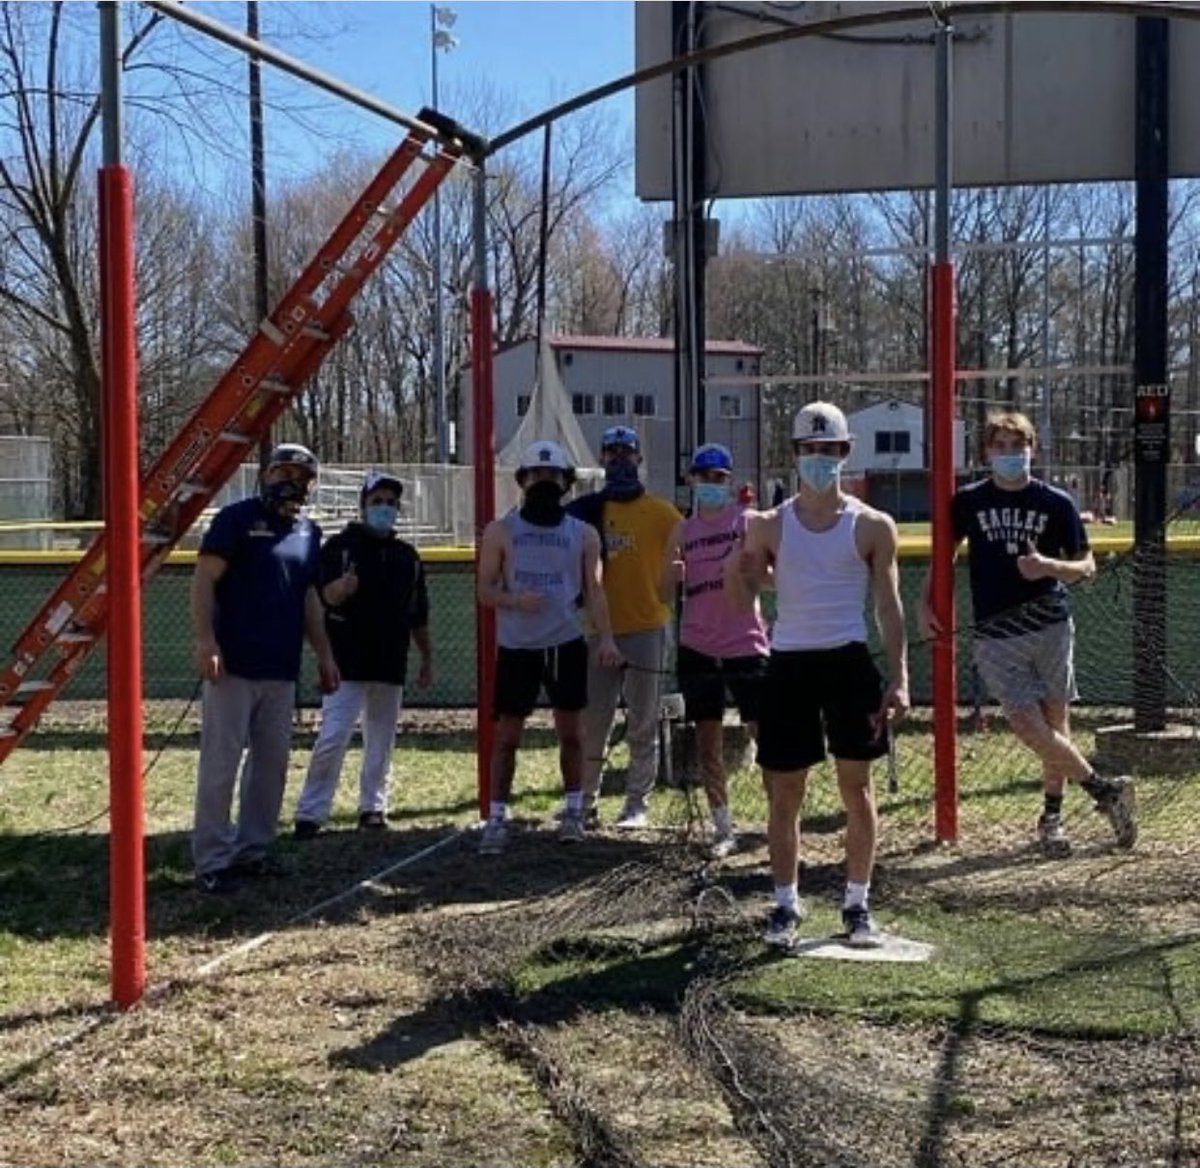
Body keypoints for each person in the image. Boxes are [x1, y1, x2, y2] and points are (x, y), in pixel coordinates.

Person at [727, 402, 909, 950]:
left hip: (847, 660)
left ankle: (857, 904)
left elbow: (890, 606)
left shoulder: (872, 525)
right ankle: (785, 904)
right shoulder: (769, 524)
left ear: (844, 453)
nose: (818, 460)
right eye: (809, 451)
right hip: (789, 664)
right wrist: (741, 563)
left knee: (858, 787)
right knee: (785, 791)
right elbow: (741, 601)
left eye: (828, 451)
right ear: (795, 454)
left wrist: (898, 677)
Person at [918, 410, 1136, 858]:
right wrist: (925, 601)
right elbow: (945, 554)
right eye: (1000, 446)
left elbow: (1087, 567)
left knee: (1056, 726)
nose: (1010, 454)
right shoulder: (969, 502)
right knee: (1026, 725)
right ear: (986, 452)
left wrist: (1048, 567)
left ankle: (1051, 820)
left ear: (1032, 449)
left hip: (1050, 625)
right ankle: (1104, 789)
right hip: (997, 634)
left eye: (1018, 447)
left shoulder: (1056, 503)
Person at [190, 442, 340, 894]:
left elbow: (310, 599)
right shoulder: (235, 519)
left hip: (280, 670)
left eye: (301, 475)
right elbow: (203, 579)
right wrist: (206, 640)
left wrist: (325, 655)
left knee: (271, 766)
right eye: (283, 471)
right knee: (221, 763)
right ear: (267, 474)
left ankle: (253, 851)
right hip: (233, 665)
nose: (290, 481)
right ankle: (212, 860)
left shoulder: (310, 533)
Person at [476, 440, 621, 854]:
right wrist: (512, 600)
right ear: (523, 481)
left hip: (564, 643)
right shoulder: (501, 530)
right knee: (507, 736)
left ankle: (574, 812)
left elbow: (594, 590)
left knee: (572, 733)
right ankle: (497, 817)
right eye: (536, 476)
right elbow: (485, 589)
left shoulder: (583, 533)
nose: (544, 483)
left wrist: (606, 636)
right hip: (517, 646)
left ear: (565, 483)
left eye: (552, 477)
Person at [293, 470, 433, 838]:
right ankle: (311, 812)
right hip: (346, 662)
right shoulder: (338, 548)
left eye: (390, 503)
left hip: (390, 662)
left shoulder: (408, 556)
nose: (384, 508)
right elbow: (319, 597)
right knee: (333, 737)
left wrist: (427, 658)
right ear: (363, 506)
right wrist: (338, 589)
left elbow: (418, 613)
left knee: (381, 741)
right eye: (377, 502)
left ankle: (373, 807)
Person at [567, 424, 682, 828]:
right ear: (602, 459)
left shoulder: (663, 513)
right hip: (600, 632)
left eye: (626, 453)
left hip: (647, 629)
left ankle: (637, 803)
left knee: (643, 720)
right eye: (612, 453)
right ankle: (585, 801)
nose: (620, 460)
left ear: (639, 458)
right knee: (594, 721)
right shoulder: (586, 512)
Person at [661, 443, 768, 858]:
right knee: (708, 742)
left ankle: (780, 819)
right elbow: (661, 592)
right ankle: (723, 825)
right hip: (698, 645)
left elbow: (769, 575)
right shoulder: (682, 531)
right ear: (692, 481)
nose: (711, 485)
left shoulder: (748, 522)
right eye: (704, 477)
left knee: (766, 734)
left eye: (719, 478)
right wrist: (671, 577)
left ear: (730, 481)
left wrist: (753, 570)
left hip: (746, 642)